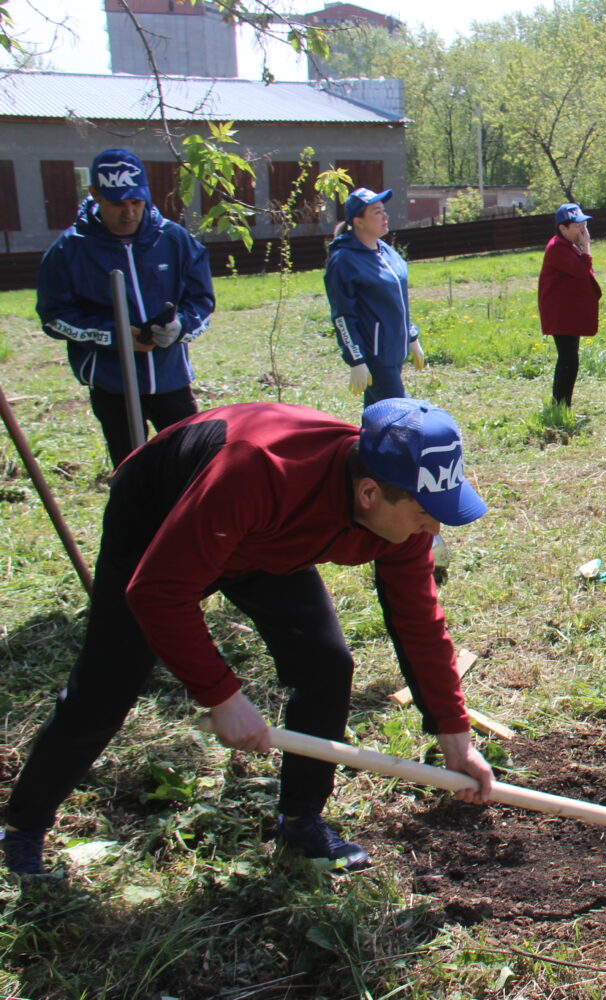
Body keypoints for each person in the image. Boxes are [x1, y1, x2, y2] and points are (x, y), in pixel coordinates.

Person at [1, 398, 496, 877]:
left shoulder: (403, 522)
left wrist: (454, 733)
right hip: (166, 518)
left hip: (265, 540)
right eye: (425, 511)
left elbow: (418, 622)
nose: (434, 525)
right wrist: (221, 694)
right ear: (368, 493)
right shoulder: (259, 473)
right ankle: (24, 826)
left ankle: (300, 820)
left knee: (326, 666)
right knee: (106, 688)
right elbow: (156, 593)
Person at [37, 148, 215, 469]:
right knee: (131, 470)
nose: (129, 213)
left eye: (136, 202)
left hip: (169, 378)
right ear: (94, 194)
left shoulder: (174, 240)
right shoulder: (69, 250)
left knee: (195, 464)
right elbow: (53, 317)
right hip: (111, 382)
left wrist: (180, 328)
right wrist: (113, 336)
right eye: (117, 204)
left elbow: (202, 301)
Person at [326, 187, 425, 408]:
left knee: (375, 417)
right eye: (377, 212)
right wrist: (357, 360)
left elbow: (399, 301)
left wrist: (411, 336)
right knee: (401, 414)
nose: (385, 216)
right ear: (358, 222)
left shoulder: (387, 252)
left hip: (395, 350)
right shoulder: (344, 260)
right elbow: (342, 316)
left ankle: (365, 443)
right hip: (375, 356)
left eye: (384, 210)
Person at [537, 203, 602, 408]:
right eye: (577, 226)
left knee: (570, 360)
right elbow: (581, 270)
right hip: (561, 315)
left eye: (584, 224)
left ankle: (563, 404)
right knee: (567, 361)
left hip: (568, 314)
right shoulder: (557, 247)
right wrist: (587, 248)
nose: (582, 230)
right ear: (562, 228)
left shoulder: (568, 245)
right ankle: (561, 405)